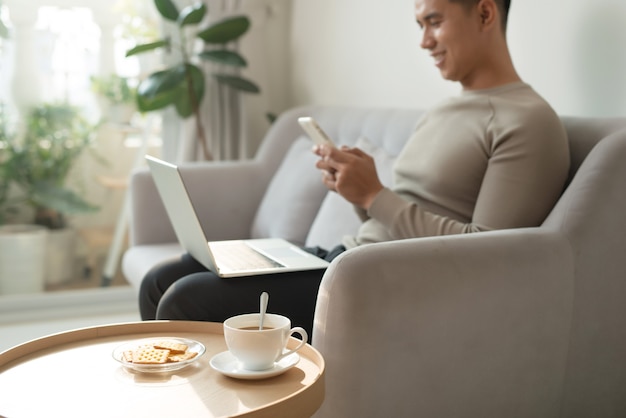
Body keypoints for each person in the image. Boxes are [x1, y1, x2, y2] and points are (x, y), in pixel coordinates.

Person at [139, 0, 570, 337]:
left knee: (186, 300)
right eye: (419, 25)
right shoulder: (445, 109)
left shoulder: (527, 122)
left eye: (434, 21)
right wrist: (360, 193)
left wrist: (373, 196)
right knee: (161, 280)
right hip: (344, 259)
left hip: (383, 284)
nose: (424, 41)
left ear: (485, 12)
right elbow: (394, 216)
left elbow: (491, 255)